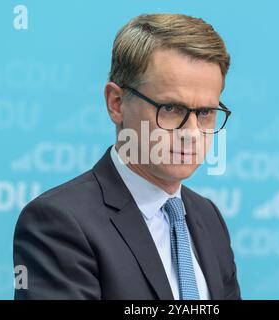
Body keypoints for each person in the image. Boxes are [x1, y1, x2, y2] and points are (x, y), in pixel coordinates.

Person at [13, 13, 241, 300]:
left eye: (205, 113)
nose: (192, 133)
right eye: (171, 109)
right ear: (117, 103)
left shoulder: (207, 216)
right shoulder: (59, 222)